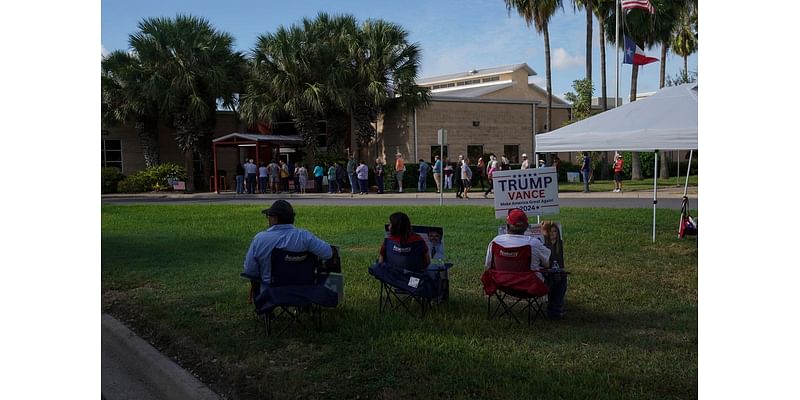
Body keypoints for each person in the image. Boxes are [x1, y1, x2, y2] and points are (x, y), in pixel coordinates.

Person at [241, 200, 333, 298]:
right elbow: (328, 253)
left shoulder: (260, 239)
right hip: (303, 289)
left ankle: (266, 311)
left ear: (275, 218)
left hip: (272, 291)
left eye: (269, 216)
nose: (268, 219)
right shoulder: (304, 237)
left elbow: (249, 270)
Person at [484, 209, 555, 316]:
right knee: (560, 277)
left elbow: (488, 266)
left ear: (507, 225)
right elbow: (548, 263)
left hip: (502, 284)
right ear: (526, 226)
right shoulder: (533, 243)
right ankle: (555, 313)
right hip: (528, 286)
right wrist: (546, 235)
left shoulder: (495, 242)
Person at [541, 221, 568, 320]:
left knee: (561, 277)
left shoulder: (559, 245)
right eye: (549, 231)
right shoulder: (543, 244)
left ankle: (555, 309)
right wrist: (546, 238)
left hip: (556, 272)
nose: (552, 233)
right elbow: (548, 258)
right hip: (545, 273)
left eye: (554, 231)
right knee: (556, 279)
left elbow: (560, 262)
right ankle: (554, 311)